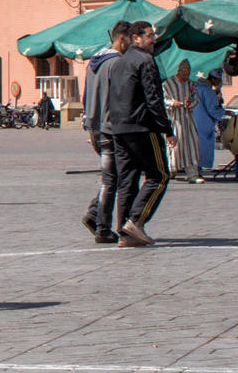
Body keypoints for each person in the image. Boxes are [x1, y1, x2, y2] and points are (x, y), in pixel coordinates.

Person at [102, 20, 171, 246]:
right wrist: (166, 129)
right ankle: (135, 222)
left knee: (127, 180)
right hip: (142, 127)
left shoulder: (119, 63)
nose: (154, 40)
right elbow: (154, 99)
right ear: (136, 38)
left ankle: (124, 232)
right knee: (159, 175)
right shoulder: (146, 61)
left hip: (119, 128)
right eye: (150, 36)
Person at [81, 22, 131, 242]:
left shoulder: (93, 63)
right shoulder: (118, 63)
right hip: (111, 127)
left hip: (95, 125)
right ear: (122, 39)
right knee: (113, 179)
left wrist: (90, 123)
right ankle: (102, 227)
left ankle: (95, 213)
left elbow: (85, 97)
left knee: (112, 177)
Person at [163, 60, 202, 183]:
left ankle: (192, 174)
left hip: (188, 120)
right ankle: (170, 170)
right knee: (174, 146)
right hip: (174, 120)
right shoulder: (168, 84)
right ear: (179, 70)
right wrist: (172, 103)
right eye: (184, 72)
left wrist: (190, 104)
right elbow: (162, 100)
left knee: (191, 145)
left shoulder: (191, 84)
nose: (186, 75)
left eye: (188, 72)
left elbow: (196, 99)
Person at [193, 69, 226, 180]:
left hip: (193, 121)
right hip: (203, 123)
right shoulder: (207, 91)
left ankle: (193, 169)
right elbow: (213, 109)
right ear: (212, 79)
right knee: (201, 147)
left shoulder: (195, 87)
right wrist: (223, 112)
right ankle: (197, 170)